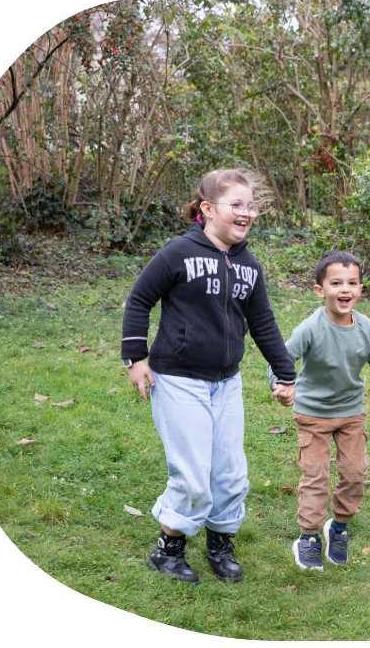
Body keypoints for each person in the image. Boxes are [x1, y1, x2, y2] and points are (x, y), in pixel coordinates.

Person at [121, 168, 296, 585]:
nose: (246, 212)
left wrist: (285, 373)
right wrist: (135, 358)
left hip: (226, 383)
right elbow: (139, 299)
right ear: (207, 209)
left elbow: (264, 323)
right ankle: (169, 549)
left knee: (231, 472)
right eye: (236, 204)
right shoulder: (177, 253)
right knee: (193, 473)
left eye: (251, 205)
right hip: (178, 379)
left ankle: (221, 543)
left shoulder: (249, 265)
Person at [268, 250, 370, 570]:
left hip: (350, 414)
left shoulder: (367, 328)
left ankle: (338, 528)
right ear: (320, 290)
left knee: (355, 472)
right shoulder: (310, 328)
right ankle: (309, 537)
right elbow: (281, 361)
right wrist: (282, 387)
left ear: (360, 289)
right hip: (312, 414)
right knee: (316, 475)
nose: (345, 289)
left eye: (352, 283)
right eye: (336, 283)